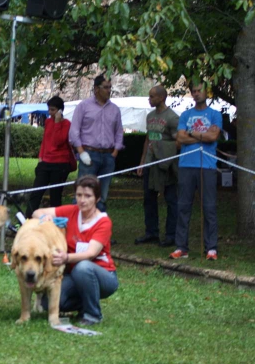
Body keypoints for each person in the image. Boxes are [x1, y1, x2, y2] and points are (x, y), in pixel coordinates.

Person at [33, 175, 118, 326]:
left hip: (104, 275)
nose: (82, 200)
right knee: (48, 303)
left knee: (83, 267)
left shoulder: (103, 222)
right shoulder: (71, 211)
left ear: (97, 198)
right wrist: (45, 218)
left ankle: (93, 315)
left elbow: (91, 253)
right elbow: (37, 212)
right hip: (75, 274)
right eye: (79, 195)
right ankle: (83, 305)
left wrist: (66, 258)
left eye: (87, 196)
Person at [169, 82, 222, 261]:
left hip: (207, 166)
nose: (196, 93)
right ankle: (181, 247)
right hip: (186, 165)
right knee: (183, 206)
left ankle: (211, 248)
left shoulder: (215, 115)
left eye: (200, 90)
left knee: (209, 207)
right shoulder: (186, 114)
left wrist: (190, 134)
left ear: (206, 91)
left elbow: (213, 136)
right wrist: (201, 136)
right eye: (194, 91)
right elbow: (179, 139)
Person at [69, 74, 124, 212]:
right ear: (96, 89)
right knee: (83, 193)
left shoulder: (114, 109)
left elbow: (119, 132)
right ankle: (78, 228)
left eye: (110, 87)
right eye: (105, 87)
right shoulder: (84, 106)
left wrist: (115, 152)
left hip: (108, 156)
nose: (109, 90)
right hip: (89, 154)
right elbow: (74, 131)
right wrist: (81, 152)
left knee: (102, 196)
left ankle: (98, 228)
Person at [135, 86, 180, 247]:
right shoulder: (150, 116)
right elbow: (148, 139)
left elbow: (179, 142)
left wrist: (163, 150)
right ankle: (151, 232)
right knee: (149, 199)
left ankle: (171, 235)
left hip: (165, 165)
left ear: (161, 98)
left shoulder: (173, 118)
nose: (149, 99)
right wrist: (142, 162)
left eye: (152, 96)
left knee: (170, 199)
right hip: (150, 163)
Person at [25, 96, 72, 218]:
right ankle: (27, 219)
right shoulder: (47, 122)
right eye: (49, 110)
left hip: (60, 164)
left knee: (55, 195)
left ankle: (56, 223)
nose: (50, 112)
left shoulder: (66, 124)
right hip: (45, 162)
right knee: (36, 193)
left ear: (60, 110)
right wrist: (41, 157)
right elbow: (45, 141)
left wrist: (57, 123)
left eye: (53, 110)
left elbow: (58, 141)